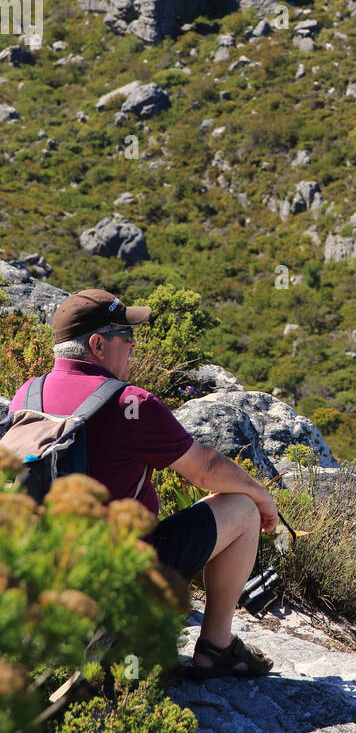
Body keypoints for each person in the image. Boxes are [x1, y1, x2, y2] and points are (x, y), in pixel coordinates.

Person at [7, 289, 277, 679]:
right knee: (242, 508)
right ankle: (217, 646)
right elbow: (206, 469)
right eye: (124, 334)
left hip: (46, 586)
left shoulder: (27, 394)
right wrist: (262, 494)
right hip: (120, 583)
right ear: (97, 344)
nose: (133, 343)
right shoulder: (130, 403)